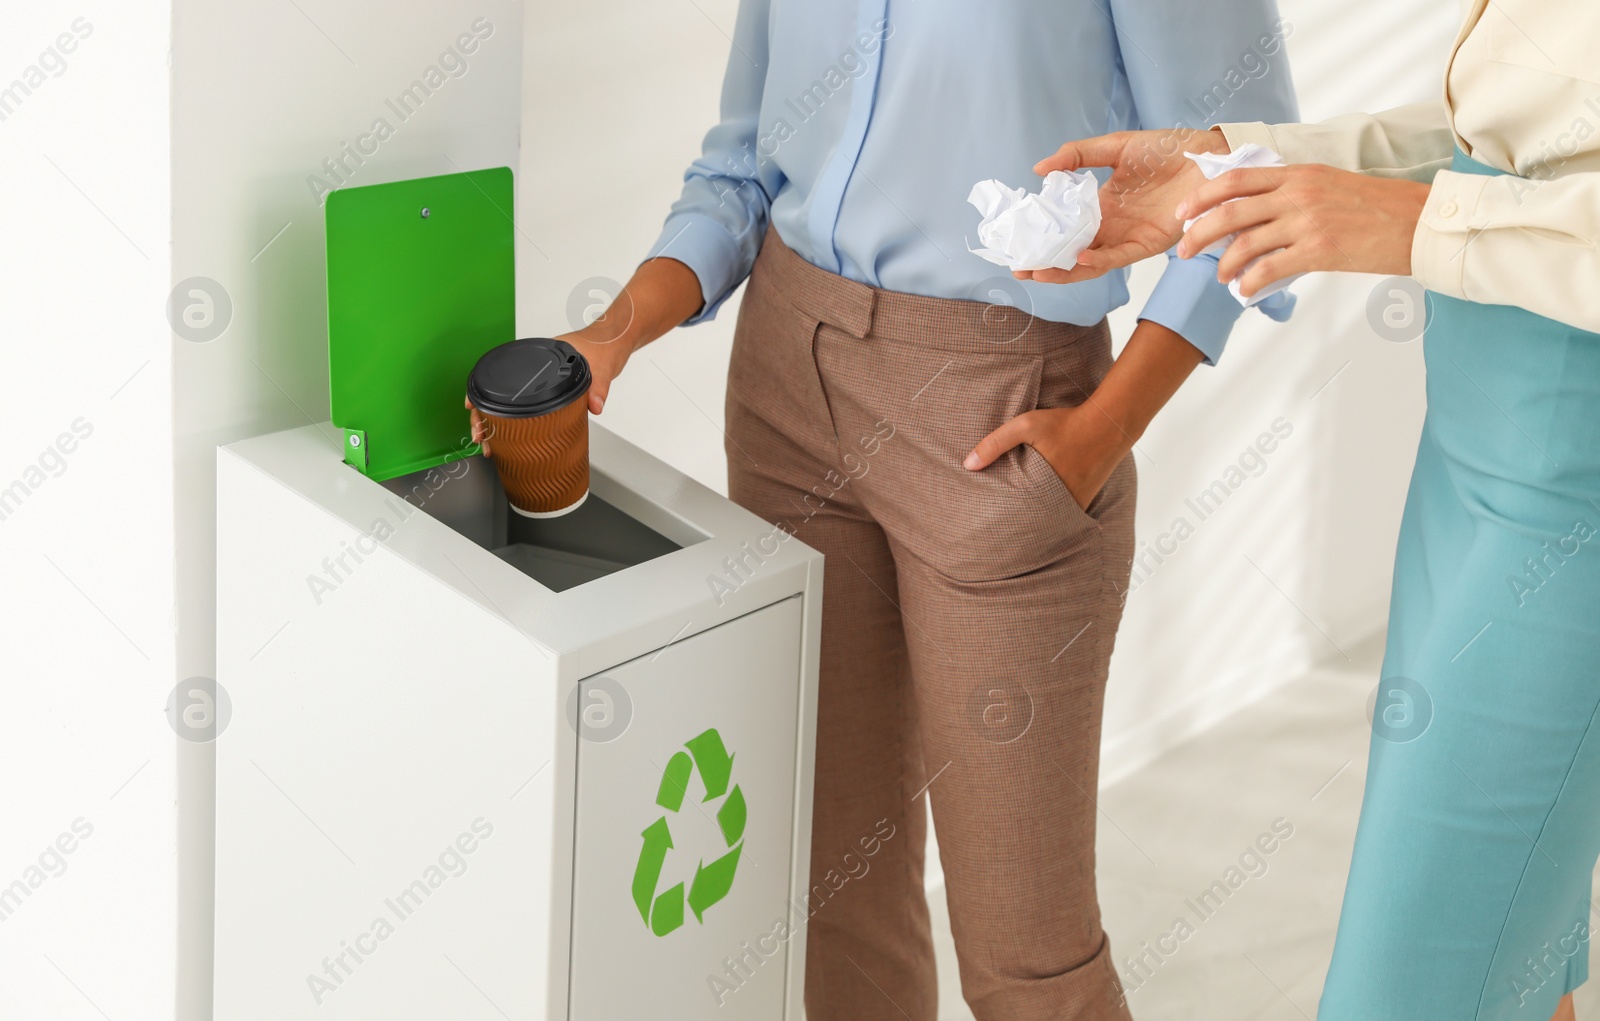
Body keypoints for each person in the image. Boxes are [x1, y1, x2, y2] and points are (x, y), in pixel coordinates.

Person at [473, 3, 1296, 1018]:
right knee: (831, 891)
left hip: (998, 407)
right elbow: (740, 173)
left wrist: (1097, 435)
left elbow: (1251, 178)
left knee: (1027, 954)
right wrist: (613, 332)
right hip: (784, 387)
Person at [1033, 2, 1600, 1018]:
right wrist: (1231, 172)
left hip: (1571, 491)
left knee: (1415, 984)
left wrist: (1423, 225)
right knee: (1512, 948)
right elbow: (1516, 140)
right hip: (1474, 447)